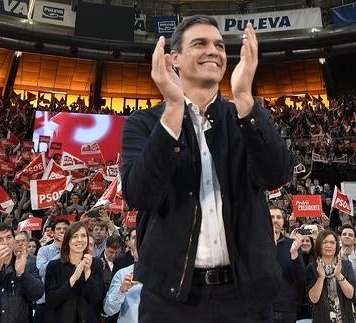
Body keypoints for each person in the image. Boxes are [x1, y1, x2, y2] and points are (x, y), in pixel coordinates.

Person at [120, 15, 293, 321]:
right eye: (199, 43)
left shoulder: (245, 114)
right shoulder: (144, 124)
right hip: (171, 300)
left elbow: (277, 174)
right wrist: (173, 110)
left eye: (219, 45)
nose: (213, 50)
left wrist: (244, 97)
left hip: (245, 296)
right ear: (174, 59)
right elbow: (140, 195)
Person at [44, 221, 104, 323]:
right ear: (68, 240)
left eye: (83, 236)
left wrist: (88, 273)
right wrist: (73, 278)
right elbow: (51, 301)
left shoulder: (96, 263)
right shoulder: (54, 266)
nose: (80, 240)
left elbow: (97, 300)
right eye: (75, 236)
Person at [306, 230, 355, 323]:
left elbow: (350, 294)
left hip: (344, 317)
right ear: (319, 245)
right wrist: (320, 278)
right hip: (321, 318)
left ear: (336, 245)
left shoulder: (346, 265)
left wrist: (338, 275)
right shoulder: (312, 267)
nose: (328, 245)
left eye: (332, 242)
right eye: (324, 242)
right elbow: (313, 299)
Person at [270, 207, 306, 323]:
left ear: (283, 222)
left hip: (286, 308)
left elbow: (301, 278)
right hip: (262, 307)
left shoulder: (292, 244)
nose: (275, 220)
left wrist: (294, 254)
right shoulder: (256, 245)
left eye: (279, 217)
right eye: (271, 217)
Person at [34, 219, 70, 323]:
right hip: (45, 301)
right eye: (59, 229)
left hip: (66, 302)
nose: (62, 231)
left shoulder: (74, 252)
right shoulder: (43, 250)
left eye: (65, 229)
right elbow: (42, 272)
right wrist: (62, 252)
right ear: (53, 233)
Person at [104, 228, 142, 323]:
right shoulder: (122, 274)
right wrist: (121, 291)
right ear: (133, 252)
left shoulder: (163, 275)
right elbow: (108, 310)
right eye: (135, 239)